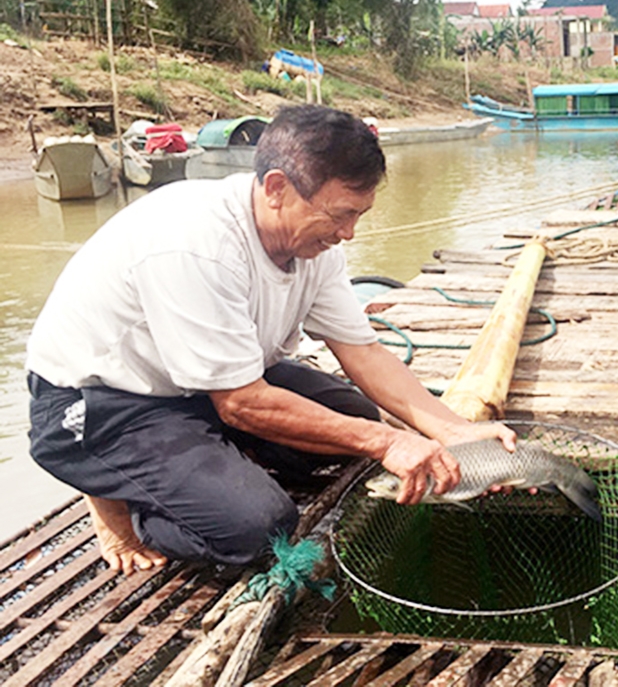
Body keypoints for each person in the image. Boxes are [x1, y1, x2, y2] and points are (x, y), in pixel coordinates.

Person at [26, 104, 514, 574]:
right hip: (102, 402)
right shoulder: (198, 243)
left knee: (357, 419)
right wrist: (388, 441)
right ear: (277, 188)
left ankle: (206, 457)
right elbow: (240, 403)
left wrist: (452, 431)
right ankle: (120, 501)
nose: (349, 233)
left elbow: (362, 351)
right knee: (257, 527)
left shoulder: (314, 245)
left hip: (201, 385)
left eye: (360, 215)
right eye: (340, 214)